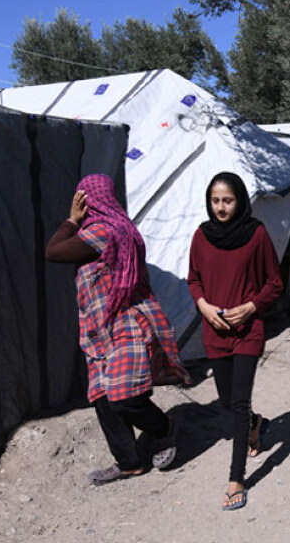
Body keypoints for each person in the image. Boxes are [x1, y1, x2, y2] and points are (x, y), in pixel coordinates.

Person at [45, 174, 190, 486]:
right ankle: (129, 462)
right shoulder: (123, 228)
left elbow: (53, 252)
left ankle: (164, 428)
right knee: (102, 396)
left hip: (125, 324)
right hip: (100, 329)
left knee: (122, 397)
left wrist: (71, 220)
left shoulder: (103, 231)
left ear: (87, 202)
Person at [187, 172, 284, 511]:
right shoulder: (201, 236)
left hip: (247, 332)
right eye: (215, 200)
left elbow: (274, 282)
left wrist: (252, 307)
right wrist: (203, 306)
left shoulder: (256, 235)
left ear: (240, 200)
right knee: (228, 403)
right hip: (214, 331)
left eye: (227, 200)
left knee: (238, 404)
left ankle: (236, 478)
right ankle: (256, 424)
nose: (221, 207)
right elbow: (193, 279)